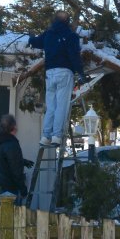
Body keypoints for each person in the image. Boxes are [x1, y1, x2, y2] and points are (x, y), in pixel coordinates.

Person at [28, 10, 86, 146]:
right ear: (68, 21)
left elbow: (36, 42)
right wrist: (81, 73)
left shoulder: (49, 34)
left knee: (51, 107)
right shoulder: (71, 36)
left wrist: (31, 37)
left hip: (50, 73)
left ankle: (45, 136)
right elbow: (74, 56)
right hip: (64, 72)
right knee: (61, 106)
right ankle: (56, 136)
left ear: (55, 20)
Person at [0, 114, 33, 202]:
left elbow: (4, 161)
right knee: (9, 212)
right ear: (13, 127)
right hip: (8, 191)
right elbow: (16, 171)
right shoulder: (11, 144)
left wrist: (22, 161)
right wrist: (23, 190)